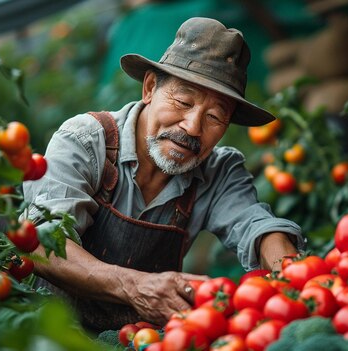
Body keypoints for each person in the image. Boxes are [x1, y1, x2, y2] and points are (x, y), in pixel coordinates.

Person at [23, 17, 304, 332]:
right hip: (49, 333)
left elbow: (257, 226)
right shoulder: (86, 141)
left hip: (140, 340)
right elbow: (42, 244)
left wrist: (291, 276)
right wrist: (134, 286)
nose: (193, 127)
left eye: (214, 116)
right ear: (150, 88)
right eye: (183, 102)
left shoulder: (219, 171)